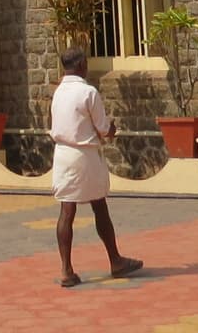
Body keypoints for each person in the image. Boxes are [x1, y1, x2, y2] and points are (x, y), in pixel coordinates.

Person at [48, 48, 143, 289]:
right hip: (85, 155)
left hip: (62, 154)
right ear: (81, 66)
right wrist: (112, 129)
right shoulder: (87, 92)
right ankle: (115, 260)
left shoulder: (58, 92)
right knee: (99, 206)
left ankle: (66, 269)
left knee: (66, 211)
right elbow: (103, 128)